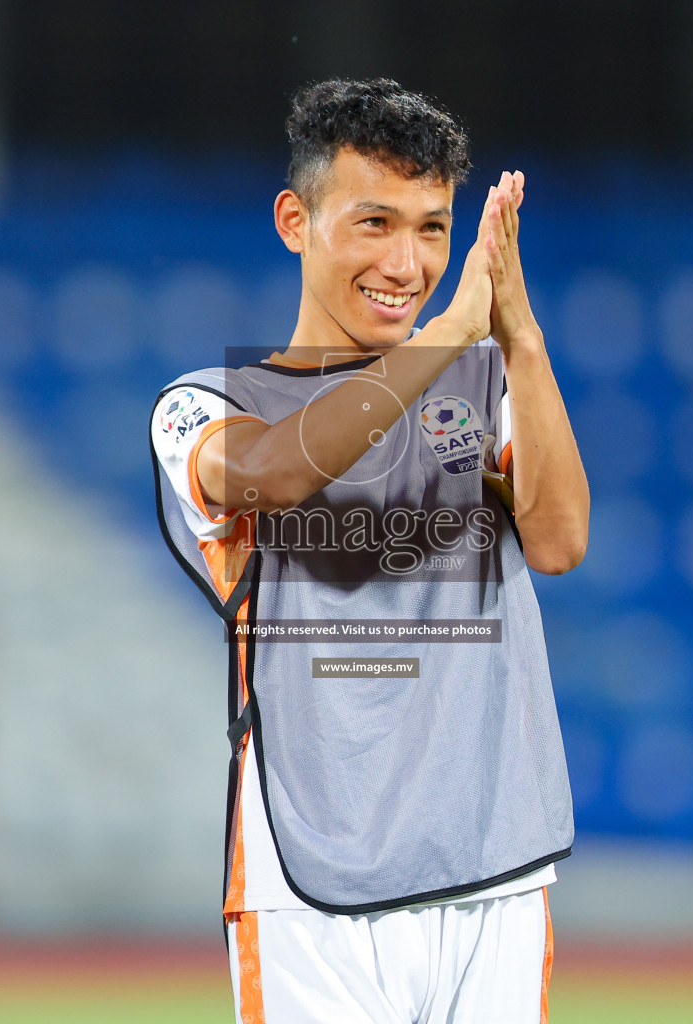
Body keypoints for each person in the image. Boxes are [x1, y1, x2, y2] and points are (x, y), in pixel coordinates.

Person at [151, 79, 587, 1023]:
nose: (407, 260)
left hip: (493, 873)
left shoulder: (478, 383)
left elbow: (557, 541)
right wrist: (448, 338)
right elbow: (272, 474)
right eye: (375, 222)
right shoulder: (207, 404)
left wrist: (519, 336)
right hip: (309, 884)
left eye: (434, 229)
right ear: (294, 220)